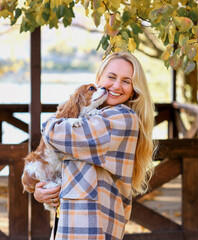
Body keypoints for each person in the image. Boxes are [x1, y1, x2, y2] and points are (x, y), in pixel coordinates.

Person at [34, 51, 156, 240]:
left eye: (126, 81)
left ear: (134, 89)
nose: (116, 86)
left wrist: (54, 119)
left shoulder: (122, 118)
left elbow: (56, 134)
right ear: (99, 78)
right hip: (68, 226)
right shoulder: (94, 116)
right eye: (111, 77)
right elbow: (65, 165)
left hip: (94, 230)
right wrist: (43, 192)